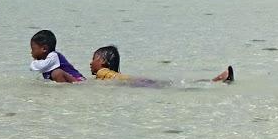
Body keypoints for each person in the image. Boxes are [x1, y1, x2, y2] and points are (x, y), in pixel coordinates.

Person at [90, 44, 235, 84]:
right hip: (138, 81)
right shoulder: (112, 74)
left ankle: (216, 81)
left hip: (137, 82)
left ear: (103, 62)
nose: (90, 63)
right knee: (181, 85)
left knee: (181, 88)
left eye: (93, 59)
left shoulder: (102, 73)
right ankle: (215, 80)